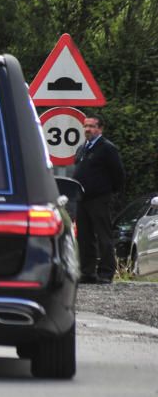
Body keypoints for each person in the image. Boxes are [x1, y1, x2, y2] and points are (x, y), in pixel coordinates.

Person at [72, 113, 125, 284]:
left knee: (103, 236)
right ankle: (87, 272)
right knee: (85, 237)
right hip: (82, 198)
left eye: (92, 126)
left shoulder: (107, 148)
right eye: (85, 126)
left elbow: (118, 174)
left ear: (100, 129)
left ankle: (105, 272)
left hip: (100, 198)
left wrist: (110, 193)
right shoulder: (82, 148)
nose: (87, 129)